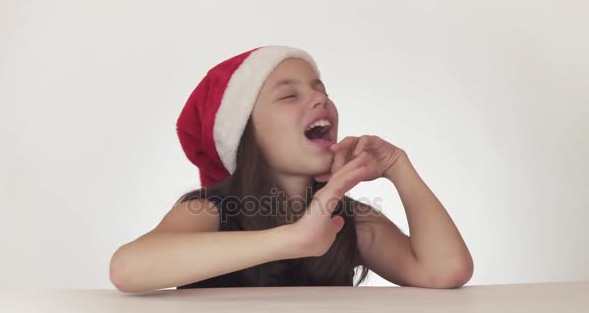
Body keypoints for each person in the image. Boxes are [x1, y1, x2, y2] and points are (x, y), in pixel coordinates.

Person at [109, 45, 474, 293]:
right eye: (288, 95)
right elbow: (127, 269)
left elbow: (445, 270)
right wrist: (292, 240)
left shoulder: (348, 219)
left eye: (321, 90)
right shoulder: (210, 210)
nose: (320, 99)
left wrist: (398, 167)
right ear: (244, 134)